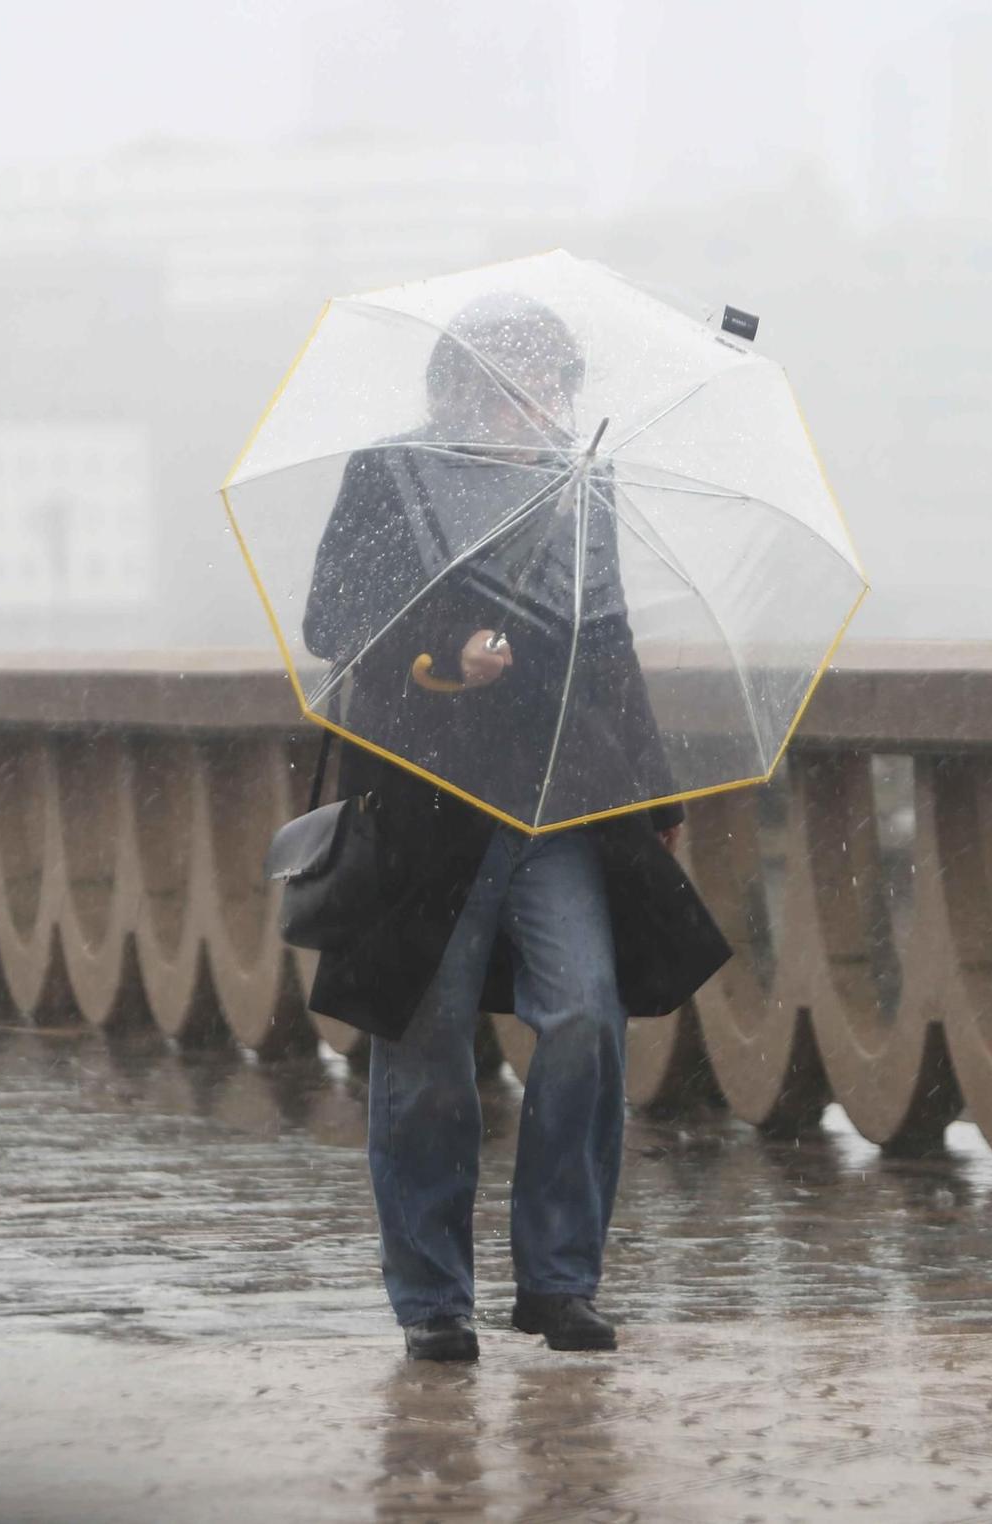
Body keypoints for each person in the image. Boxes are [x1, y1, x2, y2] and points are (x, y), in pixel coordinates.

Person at [299, 291, 730, 1362]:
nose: (538, 402)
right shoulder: (389, 476)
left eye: (551, 383)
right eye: (515, 381)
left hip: (560, 797)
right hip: (424, 801)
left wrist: (653, 794)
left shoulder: (582, 487)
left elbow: (610, 640)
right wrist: (445, 654)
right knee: (428, 1044)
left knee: (584, 1011)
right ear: (456, 385)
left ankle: (557, 1279)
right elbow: (333, 620)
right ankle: (433, 1299)